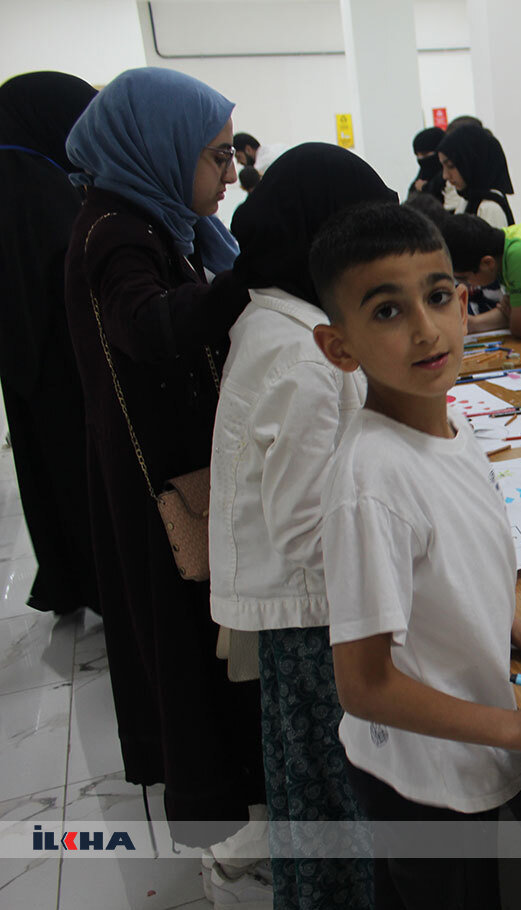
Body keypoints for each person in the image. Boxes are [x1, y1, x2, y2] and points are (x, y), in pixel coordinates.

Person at [308, 202, 521, 909]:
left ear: (462, 303)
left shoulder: (448, 425)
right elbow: (363, 686)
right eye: (387, 312)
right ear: (340, 347)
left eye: (435, 297)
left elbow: (449, 572)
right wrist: (515, 726)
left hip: (453, 751)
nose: (425, 329)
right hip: (425, 779)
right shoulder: (372, 482)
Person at [63, 67, 269, 894]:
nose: (228, 174)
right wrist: (253, 281)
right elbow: (149, 327)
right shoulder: (118, 234)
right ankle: (230, 829)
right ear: (160, 148)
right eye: (216, 156)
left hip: (173, 469)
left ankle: (236, 815)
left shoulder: (146, 220)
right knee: (191, 654)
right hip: (165, 489)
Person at [212, 143, 394, 910]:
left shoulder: (275, 315)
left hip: (303, 608)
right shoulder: (307, 358)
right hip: (318, 614)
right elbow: (303, 530)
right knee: (337, 787)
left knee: (313, 786)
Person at [0, 71, 100, 616]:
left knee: (45, 476)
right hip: (65, 365)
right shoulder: (40, 186)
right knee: (79, 479)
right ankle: (96, 583)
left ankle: (65, 579)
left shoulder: (16, 176)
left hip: (24, 364)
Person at [442, 212, 521, 339]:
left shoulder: (520, 255)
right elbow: (516, 315)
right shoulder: (507, 242)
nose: (467, 285)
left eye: (464, 279)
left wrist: (516, 315)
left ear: (487, 263)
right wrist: (472, 323)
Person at [436, 123, 514, 226]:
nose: (445, 175)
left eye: (451, 166)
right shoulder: (468, 199)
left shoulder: (489, 208)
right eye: (443, 167)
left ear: (472, 163)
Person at [407, 125, 444, 202]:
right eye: (417, 155)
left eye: (425, 154)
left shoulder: (451, 180)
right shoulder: (419, 180)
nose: (421, 159)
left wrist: (426, 188)